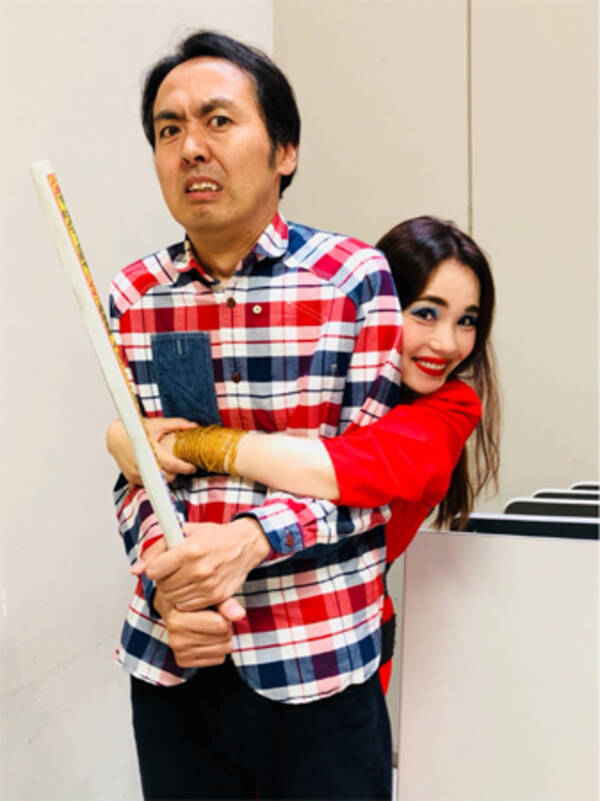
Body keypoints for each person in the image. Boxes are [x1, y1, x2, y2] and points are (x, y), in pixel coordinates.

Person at [108, 29, 403, 801]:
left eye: (218, 120)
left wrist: (249, 540)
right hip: (175, 657)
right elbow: (137, 475)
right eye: (168, 129)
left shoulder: (353, 280)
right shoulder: (135, 295)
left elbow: (371, 478)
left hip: (317, 658)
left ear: (285, 151)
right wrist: (169, 579)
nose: (191, 148)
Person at [109, 215, 500, 694]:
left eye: (466, 321)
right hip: (200, 640)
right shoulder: (317, 383)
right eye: (425, 313)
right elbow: (155, 482)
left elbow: (345, 470)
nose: (447, 343)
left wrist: (185, 444)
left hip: (328, 642)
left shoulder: (451, 407)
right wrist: (124, 440)